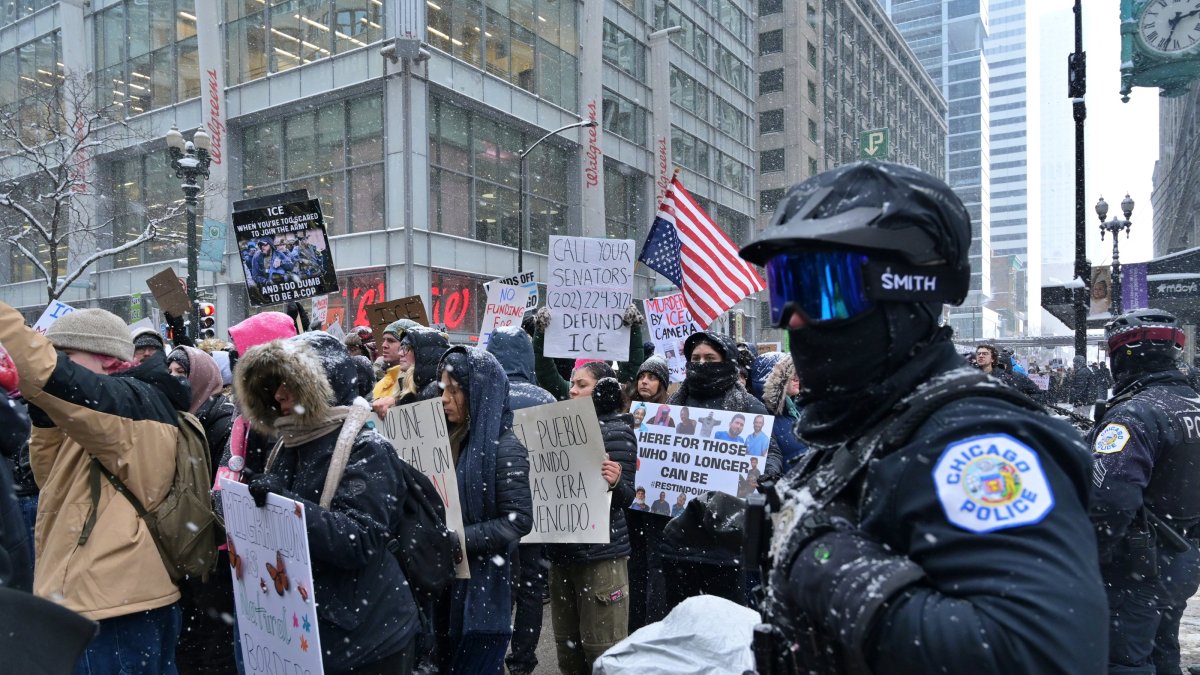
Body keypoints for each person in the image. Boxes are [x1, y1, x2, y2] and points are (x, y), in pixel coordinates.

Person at [735, 161, 1106, 673]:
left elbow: (1036, 651)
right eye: (783, 287)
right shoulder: (872, 423)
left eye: (822, 287)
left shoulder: (976, 439)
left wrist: (816, 553)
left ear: (905, 291)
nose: (792, 318)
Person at [0, 302, 188, 673]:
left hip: (117, 609)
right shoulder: (105, 415)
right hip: (99, 601)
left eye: (67, 354)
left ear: (106, 358)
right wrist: (46, 409)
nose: (61, 364)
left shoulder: (134, 402)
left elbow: (46, 371)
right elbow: (47, 476)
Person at [236, 332, 420, 673]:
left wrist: (285, 505)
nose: (278, 396)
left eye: (289, 385)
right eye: (275, 385)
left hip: (368, 638)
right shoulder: (286, 444)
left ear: (320, 385)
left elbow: (360, 540)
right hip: (316, 631)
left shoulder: (367, 448)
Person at [1088, 310, 1200, 674]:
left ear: (1121, 359)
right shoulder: (1191, 406)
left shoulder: (1134, 415)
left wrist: (1091, 558)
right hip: (1184, 557)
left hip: (1135, 567)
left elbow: (1108, 503)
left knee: (1124, 661)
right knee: (1163, 648)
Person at [658, 331, 782, 610]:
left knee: (724, 621)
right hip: (679, 536)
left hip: (726, 539)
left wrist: (767, 473)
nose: (701, 364)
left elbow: (770, 451)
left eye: (710, 358)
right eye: (695, 358)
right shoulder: (674, 407)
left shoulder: (748, 406)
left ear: (727, 362)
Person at [436, 347, 532, 674]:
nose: (445, 399)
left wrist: (462, 539)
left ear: (478, 392)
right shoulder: (452, 440)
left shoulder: (506, 447)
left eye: (454, 390)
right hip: (450, 577)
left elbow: (518, 520)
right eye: (442, 389)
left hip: (487, 581)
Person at [546, 364, 635, 675]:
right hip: (562, 551)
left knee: (602, 649)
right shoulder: (557, 430)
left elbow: (627, 497)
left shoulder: (617, 429)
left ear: (600, 390)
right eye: (572, 383)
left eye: (581, 384)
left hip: (601, 555)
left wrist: (616, 480)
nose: (572, 390)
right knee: (568, 647)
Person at [485, 326, 556, 675]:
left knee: (498, 586)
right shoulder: (546, 398)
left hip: (496, 512)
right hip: (538, 511)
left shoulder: (486, 393)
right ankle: (523, 659)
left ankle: (494, 656)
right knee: (531, 587)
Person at [165, 346, 237, 675]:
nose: (174, 381)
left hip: (214, 550)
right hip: (187, 547)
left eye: (182, 374)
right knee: (191, 631)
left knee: (214, 634)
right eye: (171, 374)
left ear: (201, 378)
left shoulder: (222, 422)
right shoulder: (174, 418)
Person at [760, 354, 809, 472]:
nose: (797, 378)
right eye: (792, 374)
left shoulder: (799, 406)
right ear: (777, 380)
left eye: (798, 373)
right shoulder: (765, 417)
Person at [975, 343, 1044, 403]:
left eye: (985, 354)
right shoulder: (971, 377)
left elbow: (1037, 393)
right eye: (978, 354)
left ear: (992, 359)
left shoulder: (1016, 377)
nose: (981, 356)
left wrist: (1023, 406)